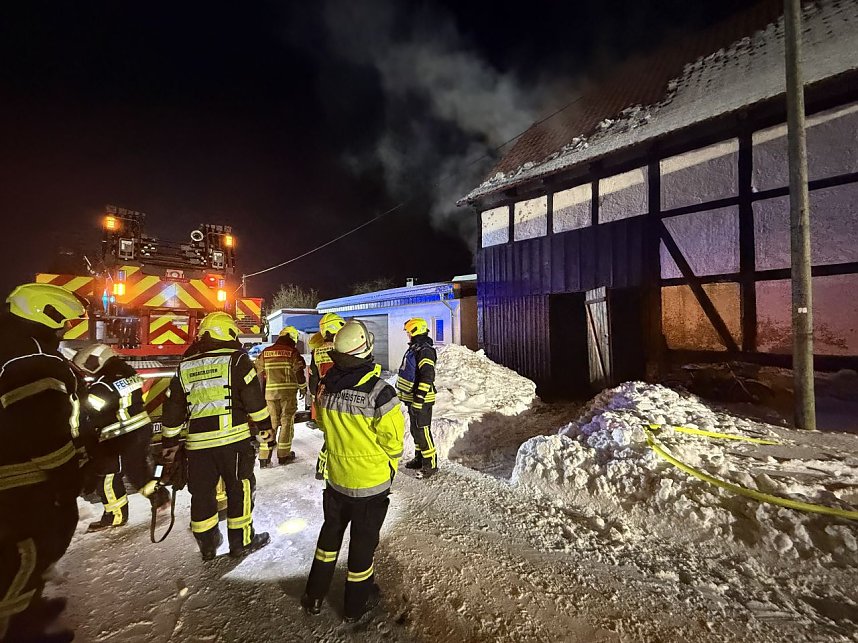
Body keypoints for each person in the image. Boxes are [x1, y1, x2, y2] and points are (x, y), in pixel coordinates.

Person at [301, 320, 404, 623]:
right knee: (362, 546)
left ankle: (314, 596)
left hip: (337, 480)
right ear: (366, 349)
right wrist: (387, 466)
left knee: (329, 537)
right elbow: (393, 442)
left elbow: (321, 424)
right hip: (370, 485)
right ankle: (355, 607)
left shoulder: (326, 387)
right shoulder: (380, 392)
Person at [0, 283, 87, 643]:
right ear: (45, 315)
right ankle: (17, 628)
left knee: (23, 551)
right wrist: (68, 477)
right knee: (22, 553)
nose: (64, 329)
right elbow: (43, 429)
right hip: (21, 478)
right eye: (62, 323)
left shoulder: (14, 349)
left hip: (17, 471)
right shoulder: (33, 360)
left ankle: (29, 607)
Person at [161, 312, 271, 561]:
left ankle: (208, 545)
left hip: (197, 446)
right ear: (229, 333)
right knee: (239, 488)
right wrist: (265, 427)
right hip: (233, 441)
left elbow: (174, 407)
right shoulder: (237, 359)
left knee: (201, 494)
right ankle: (242, 542)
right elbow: (253, 399)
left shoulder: (186, 364)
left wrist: (170, 442)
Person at [72, 343, 169, 532]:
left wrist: (82, 394)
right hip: (140, 430)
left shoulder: (102, 385)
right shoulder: (128, 374)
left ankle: (115, 516)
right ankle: (160, 499)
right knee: (138, 471)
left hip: (119, 435)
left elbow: (91, 409)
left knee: (108, 475)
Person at [254, 326, 306, 467]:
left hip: (269, 394)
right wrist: (303, 388)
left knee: (269, 423)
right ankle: (283, 455)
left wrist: (258, 393)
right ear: (292, 338)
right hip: (287, 395)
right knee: (286, 423)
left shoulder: (266, 352)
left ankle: (264, 457)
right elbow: (299, 371)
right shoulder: (292, 352)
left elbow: (256, 372)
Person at [396, 318, 438, 478]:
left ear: (415, 331)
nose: (407, 334)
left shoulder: (425, 350)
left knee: (423, 430)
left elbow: (427, 376)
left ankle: (431, 464)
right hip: (413, 398)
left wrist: (419, 398)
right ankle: (419, 458)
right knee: (415, 430)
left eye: (408, 332)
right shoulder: (416, 348)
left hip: (422, 399)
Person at [309, 313, 345, 477]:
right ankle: (322, 467)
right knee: (337, 432)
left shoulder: (316, 352)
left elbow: (313, 378)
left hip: (321, 394)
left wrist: (314, 396)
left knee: (330, 431)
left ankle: (324, 466)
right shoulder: (341, 348)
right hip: (338, 393)